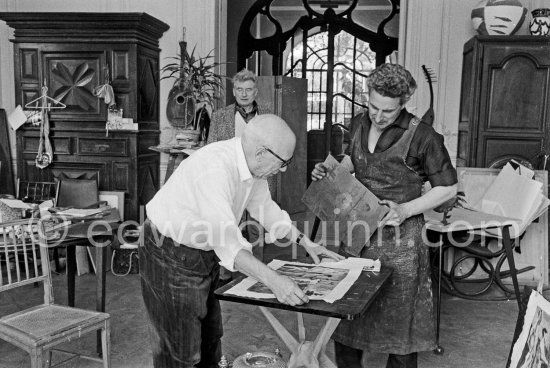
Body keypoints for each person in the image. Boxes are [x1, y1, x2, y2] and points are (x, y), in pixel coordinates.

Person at [141, 113, 343, 368]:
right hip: (168, 253)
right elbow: (229, 245)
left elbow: (266, 209)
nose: (283, 169)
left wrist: (305, 242)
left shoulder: (252, 168)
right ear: (261, 152)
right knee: (180, 351)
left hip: (203, 251)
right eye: (283, 162)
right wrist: (275, 282)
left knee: (210, 339)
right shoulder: (214, 169)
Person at [311, 63, 458, 368]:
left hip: (401, 246)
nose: (377, 116)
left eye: (387, 111)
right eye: (373, 106)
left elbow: (448, 188)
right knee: (347, 319)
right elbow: (355, 161)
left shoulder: (423, 136)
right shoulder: (359, 123)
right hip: (357, 234)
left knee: (398, 330)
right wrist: (331, 171)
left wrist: (405, 209)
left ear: (403, 103)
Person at [207, 68, 268, 144]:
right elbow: (210, 149)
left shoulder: (268, 116)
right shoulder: (219, 116)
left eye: (248, 89)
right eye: (239, 89)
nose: (244, 94)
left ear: (255, 92)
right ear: (234, 92)